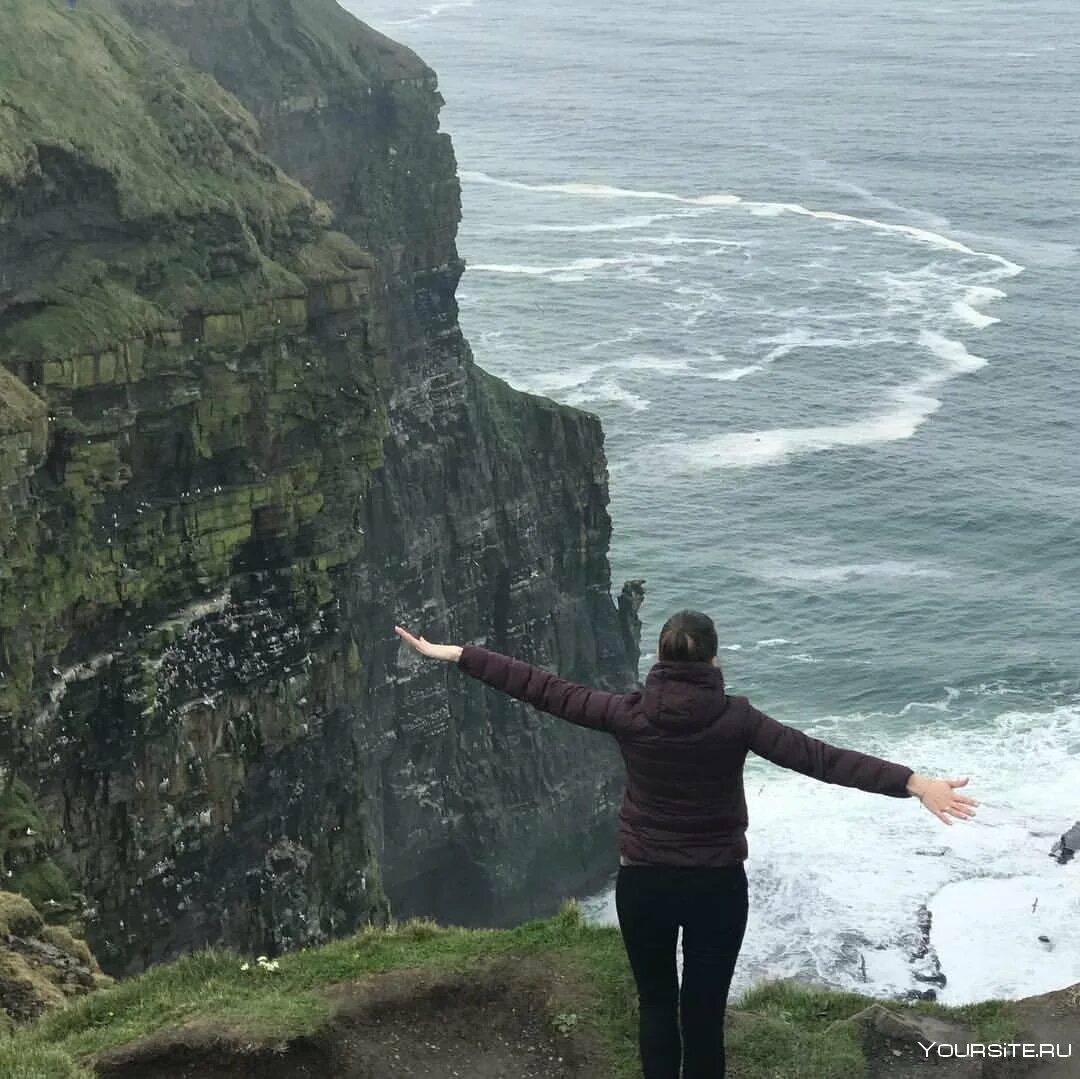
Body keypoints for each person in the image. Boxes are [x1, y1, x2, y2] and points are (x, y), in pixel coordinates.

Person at [393, 612, 976, 1079]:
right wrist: (913, 783)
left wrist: (458, 654)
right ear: (715, 659)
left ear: (659, 661)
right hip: (717, 887)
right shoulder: (738, 719)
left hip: (644, 882)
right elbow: (820, 759)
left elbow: (543, 689)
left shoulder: (626, 713)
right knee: (702, 1013)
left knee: (655, 1005)